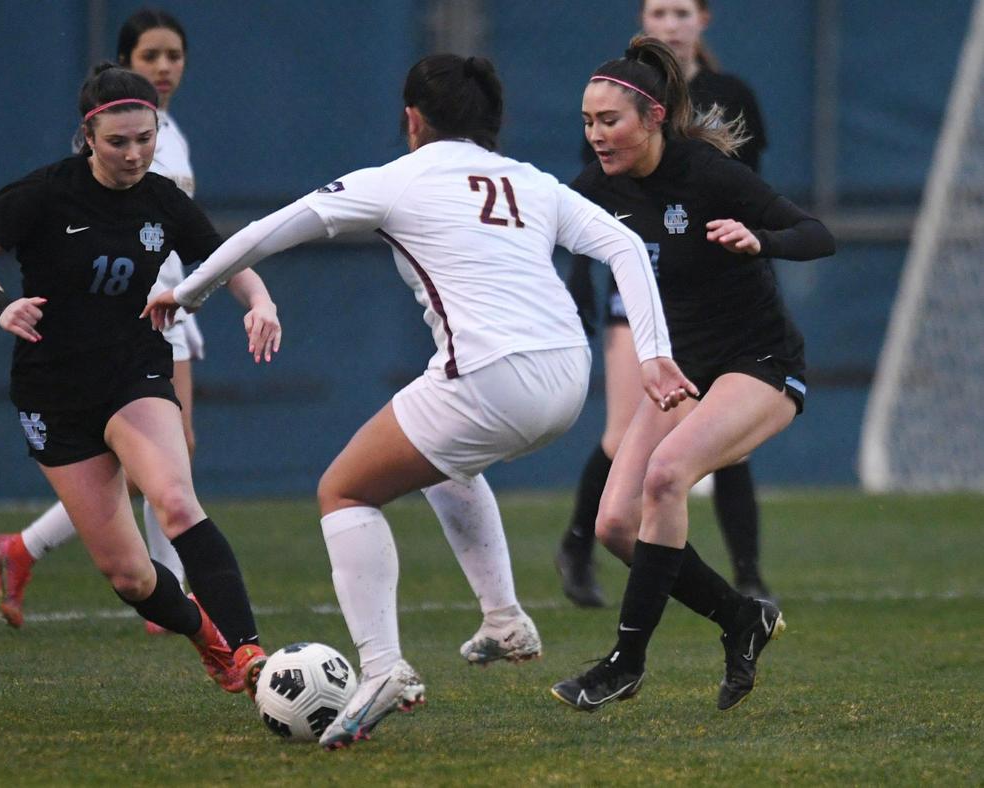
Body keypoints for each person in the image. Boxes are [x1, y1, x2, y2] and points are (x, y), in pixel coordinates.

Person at [143, 54, 695, 748]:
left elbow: (266, 231)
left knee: (343, 491)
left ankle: (382, 667)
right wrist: (652, 352)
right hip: (568, 377)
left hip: (494, 376)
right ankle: (503, 617)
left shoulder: (396, 180)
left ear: (412, 120)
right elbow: (622, 242)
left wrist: (186, 292)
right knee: (436, 458)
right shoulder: (532, 181)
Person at [0, 63, 281, 697]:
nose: (134, 155)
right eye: (118, 142)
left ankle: (248, 651)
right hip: (53, 391)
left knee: (177, 500)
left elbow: (228, 259)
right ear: (88, 136)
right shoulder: (42, 193)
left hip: (134, 370)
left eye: (145, 139)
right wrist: (0, 306)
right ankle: (205, 635)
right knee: (128, 575)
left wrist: (260, 301)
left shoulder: (163, 200)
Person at [550, 36, 834, 714]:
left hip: (762, 364)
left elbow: (817, 233)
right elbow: (531, 223)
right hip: (688, 368)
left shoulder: (707, 174)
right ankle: (742, 619)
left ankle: (625, 662)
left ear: (652, 117)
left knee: (665, 475)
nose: (596, 136)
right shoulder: (599, 186)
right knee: (615, 525)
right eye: (587, 123)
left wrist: (761, 239)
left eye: (609, 121)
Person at [0, 9, 213, 631]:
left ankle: (29, 549)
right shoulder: (102, 142)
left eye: (174, 55)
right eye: (150, 57)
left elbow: (186, 230)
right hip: (121, 313)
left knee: (171, 457)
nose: (163, 67)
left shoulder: (173, 135)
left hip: (168, 304)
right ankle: (168, 596)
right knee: (160, 460)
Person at [556, 0, 772, 608]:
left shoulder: (730, 94)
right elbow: (586, 205)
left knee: (725, 436)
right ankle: (579, 543)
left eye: (682, 11)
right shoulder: (616, 102)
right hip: (640, 287)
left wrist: (755, 251)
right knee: (625, 432)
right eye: (659, 11)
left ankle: (749, 576)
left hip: (715, 295)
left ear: (704, 20)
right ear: (643, 24)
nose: (670, 23)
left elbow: (751, 195)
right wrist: (579, 279)